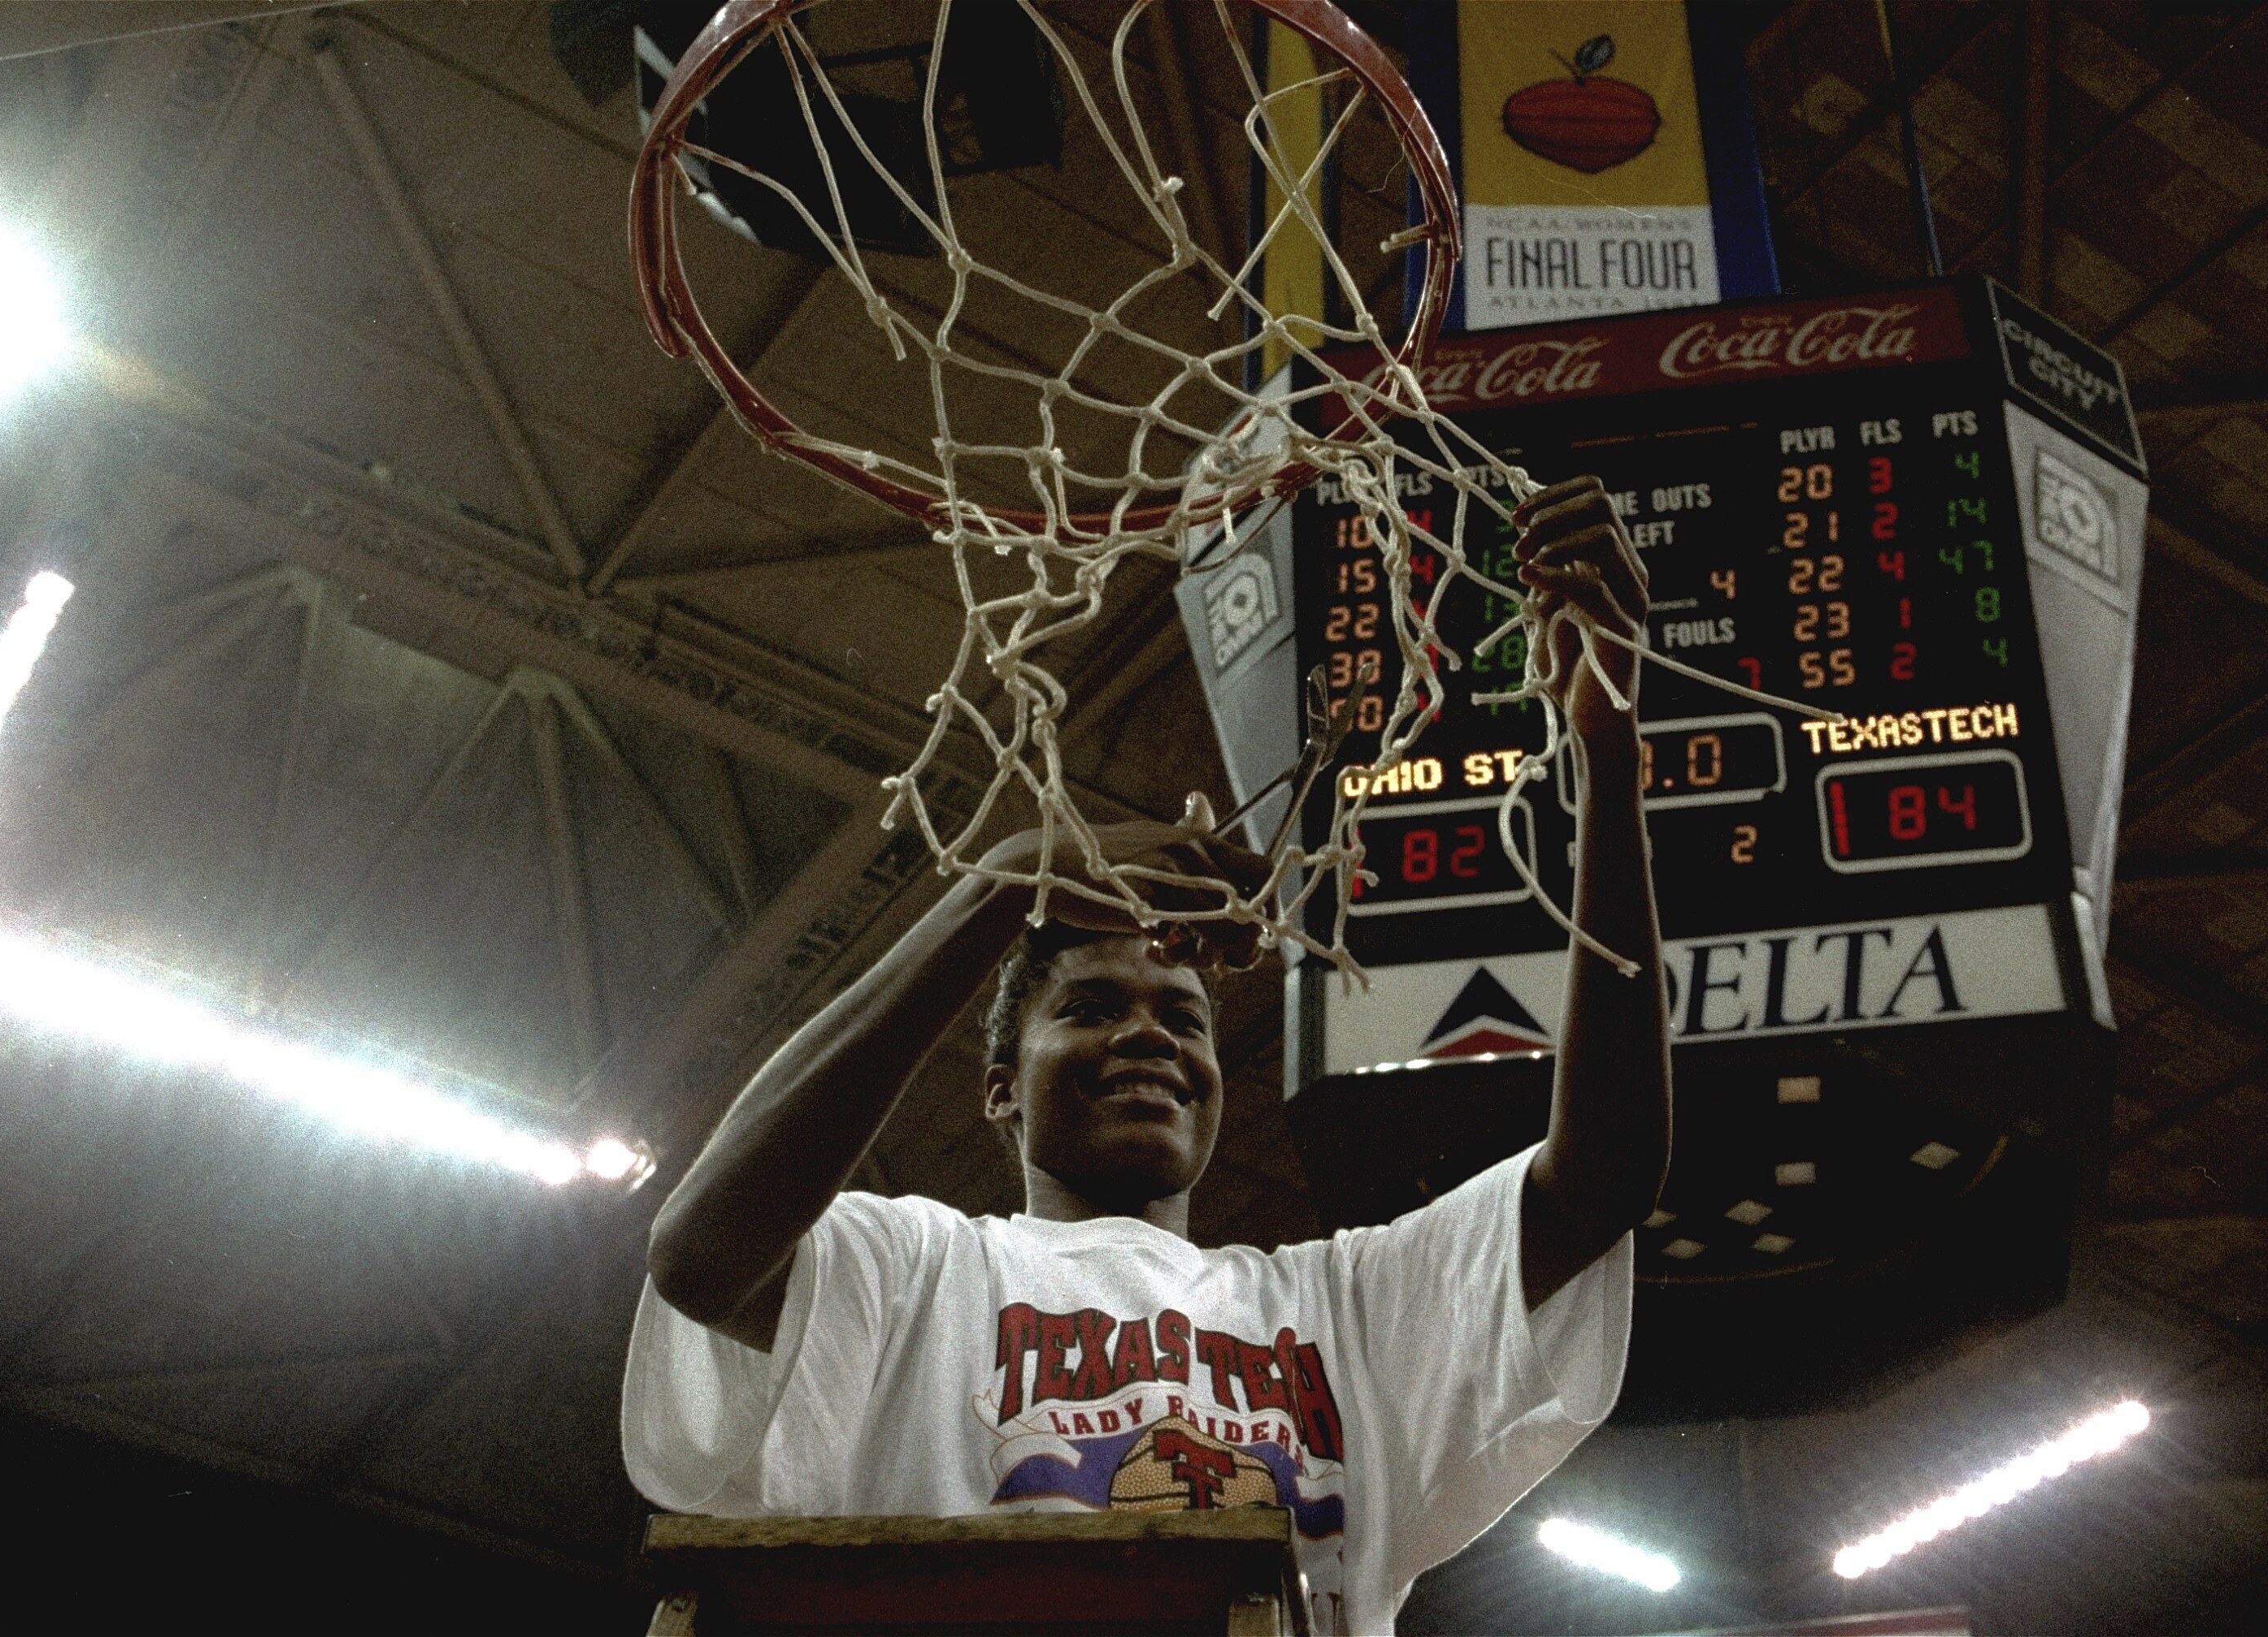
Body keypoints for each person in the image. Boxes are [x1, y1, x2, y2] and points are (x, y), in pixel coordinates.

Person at [622, 477, 1671, 1636]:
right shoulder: (916, 1267)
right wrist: (1000, 886)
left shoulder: (1343, 1306)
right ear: (998, 1089)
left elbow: (1607, 1175)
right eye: (1090, 1008)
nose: (1145, 1036)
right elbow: (700, 1255)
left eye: (1182, 1018)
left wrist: (1610, 754)